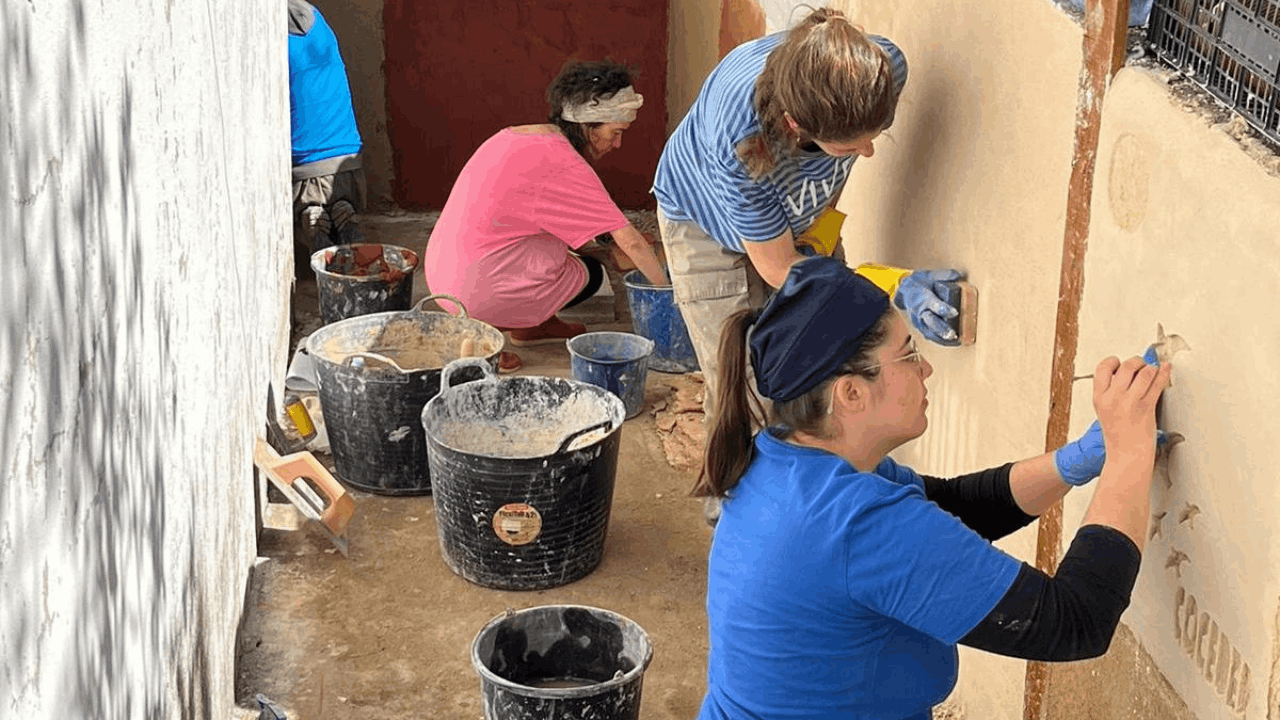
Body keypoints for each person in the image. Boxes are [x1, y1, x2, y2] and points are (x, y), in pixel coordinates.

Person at [695, 256, 1173, 720]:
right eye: (909, 354)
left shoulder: (788, 457)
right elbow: (1074, 622)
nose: (926, 370)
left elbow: (952, 507)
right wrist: (1129, 454)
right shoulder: (857, 525)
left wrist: (1071, 465)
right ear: (851, 393)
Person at [653, 7, 963, 415]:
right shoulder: (741, 136)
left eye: (874, 137)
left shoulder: (882, 70)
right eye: (849, 147)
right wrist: (893, 284)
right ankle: (737, 479)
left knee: (830, 371)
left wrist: (823, 227)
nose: (866, 153)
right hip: (703, 223)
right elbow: (779, 268)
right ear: (795, 124)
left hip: (790, 222)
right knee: (750, 397)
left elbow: (828, 174)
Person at [423, 60, 667, 372]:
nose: (618, 144)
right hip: (475, 293)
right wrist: (666, 293)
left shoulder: (514, 136)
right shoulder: (566, 165)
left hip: (444, 275)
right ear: (588, 125)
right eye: (615, 132)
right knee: (590, 270)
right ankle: (487, 340)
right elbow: (630, 243)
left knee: (562, 245)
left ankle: (531, 327)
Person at [289, 0, 365, 252]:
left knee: (310, 243)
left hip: (305, 175)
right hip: (350, 166)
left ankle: (311, 214)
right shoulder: (317, 19)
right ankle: (341, 208)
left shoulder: (269, 38)